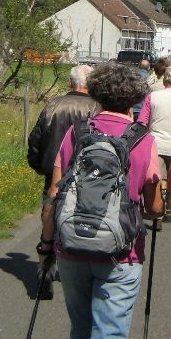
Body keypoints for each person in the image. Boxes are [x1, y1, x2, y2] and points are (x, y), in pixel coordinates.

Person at [37, 61, 164, 339]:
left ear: (96, 95)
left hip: (72, 249)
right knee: (110, 337)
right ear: (135, 100)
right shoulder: (142, 139)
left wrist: (46, 246)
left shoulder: (77, 133)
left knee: (81, 326)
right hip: (121, 254)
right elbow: (154, 206)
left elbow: (56, 192)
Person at [27, 64, 100, 296]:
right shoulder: (96, 107)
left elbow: (36, 138)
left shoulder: (53, 105)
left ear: (70, 83)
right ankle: (78, 268)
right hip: (85, 173)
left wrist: (38, 163)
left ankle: (45, 266)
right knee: (81, 216)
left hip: (53, 170)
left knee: (50, 211)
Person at [137, 65, 171, 223]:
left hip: (155, 143)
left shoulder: (152, 97)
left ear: (164, 80)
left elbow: (142, 121)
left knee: (155, 178)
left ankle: (156, 210)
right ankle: (170, 210)